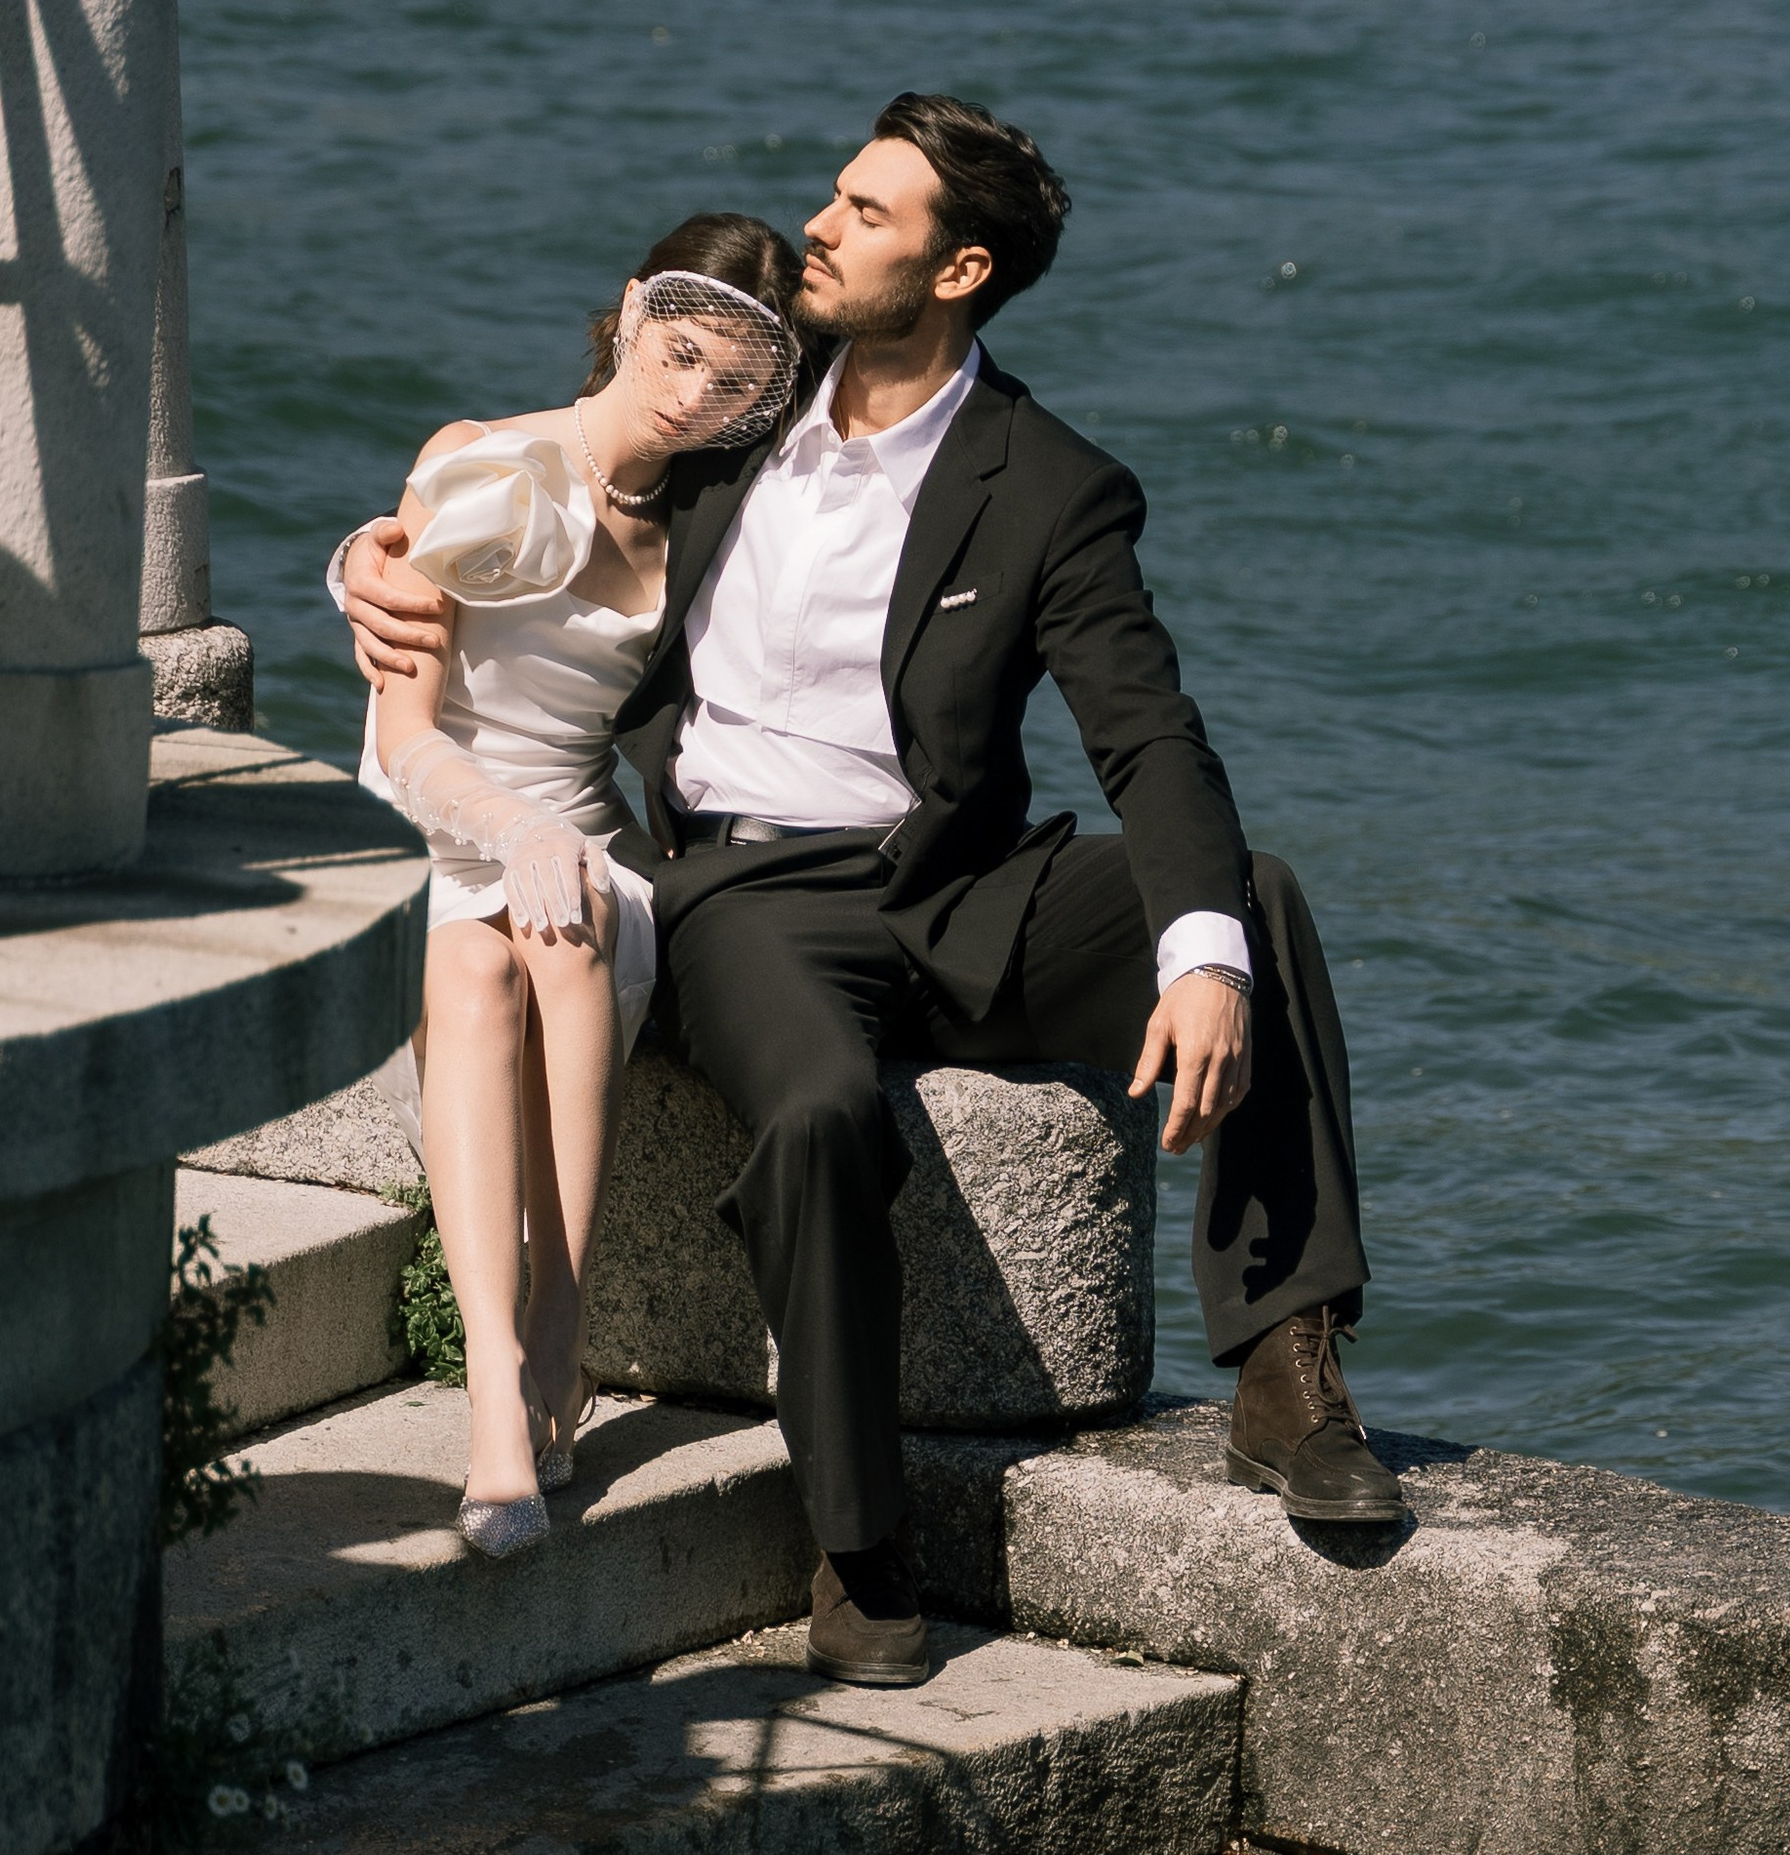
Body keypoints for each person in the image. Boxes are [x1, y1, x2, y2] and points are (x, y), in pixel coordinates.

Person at [338, 99, 1397, 1676]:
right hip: (748, 897)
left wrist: (1200, 957)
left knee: (1251, 897)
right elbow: (559, 471)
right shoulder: (738, 409)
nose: (821, 227)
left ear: (959, 268)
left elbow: (1148, 731)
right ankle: (857, 1540)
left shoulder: (1051, 483)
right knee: (824, 1108)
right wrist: (372, 553)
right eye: (835, 195)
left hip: (962, 880)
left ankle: (1287, 1363)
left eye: (868, 213)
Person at [355, 211, 800, 1557]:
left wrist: (561, 846)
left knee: (570, 924)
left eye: (730, 383)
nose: (690, 397)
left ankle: (562, 1324)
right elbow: (400, 730)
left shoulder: (715, 528)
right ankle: (502, 1380)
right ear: (629, 311)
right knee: (477, 954)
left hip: (586, 837)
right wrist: (509, 831)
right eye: (677, 352)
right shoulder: (480, 464)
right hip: (435, 818)